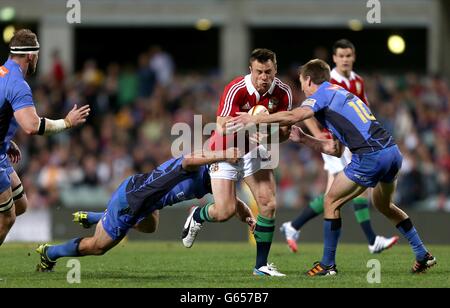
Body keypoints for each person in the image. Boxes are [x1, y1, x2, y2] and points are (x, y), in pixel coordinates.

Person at [228, 59, 436, 275]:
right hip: (392, 153)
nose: (301, 88)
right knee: (384, 205)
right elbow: (335, 149)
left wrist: (259, 119)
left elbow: (293, 116)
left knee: (330, 201)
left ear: (309, 80)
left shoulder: (322, 95)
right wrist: (305, 139)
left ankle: (328, 264)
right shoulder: (341, 94)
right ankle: (422, 254)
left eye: (301, 82)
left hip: (370, 156)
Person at [35, 149, 255, 272]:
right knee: (98, 246)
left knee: (151, 227)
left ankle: (100, 216)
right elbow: (187, 160)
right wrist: (223, 154)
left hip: (147, 202)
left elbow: (232, 202)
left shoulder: (213, 179)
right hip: (132, 200)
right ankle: (50, 253)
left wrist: (249, 219)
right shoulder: (199, 165)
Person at [279, 39, 398, 254]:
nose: (345, 59)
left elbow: (361, 108)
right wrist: (316, 137)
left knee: (335, 196)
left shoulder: (358, 81)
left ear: (354, 57)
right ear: (333, 59)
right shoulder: (327, 80)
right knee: (345, 195)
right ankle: (370, 241)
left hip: (352, 141)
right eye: (341, 56)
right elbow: (305, 112)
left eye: (348, 55)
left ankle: (294, 226)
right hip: (334, 142)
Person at [181, 48, 292, 276]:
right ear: (250, 70)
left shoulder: (283, 92)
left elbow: (284, 133)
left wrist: (265, 132)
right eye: (259, 71)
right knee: (224, 211)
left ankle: (261, 266)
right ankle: (197, 215)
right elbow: (221, 125)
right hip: (225, 149)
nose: (264, 77)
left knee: (268, 203)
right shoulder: (237, 88)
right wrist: (253, 124)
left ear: (275, 70)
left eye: (268, 72)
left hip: (254, 150)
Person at [0, 29, 89, 246]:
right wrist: (66, 122)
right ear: (30, 56)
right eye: (37, 55)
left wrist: (5, 140)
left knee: (20, 205)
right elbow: (31, 126)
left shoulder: (1, 71)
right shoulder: (17, 84)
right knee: (6, 217)